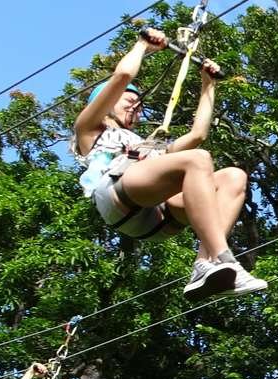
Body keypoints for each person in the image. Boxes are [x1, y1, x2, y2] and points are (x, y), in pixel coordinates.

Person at [71, 27, 266, 299]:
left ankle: (206, 264)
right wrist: (142, 45)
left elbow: (198, 134)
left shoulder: (147, 148)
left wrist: (208, 84)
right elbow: (124, 75)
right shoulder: (90, 129)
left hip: (157, 218)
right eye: (128, 102)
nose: (135, 109)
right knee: (198, 160)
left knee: (233, 176)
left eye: (139, 106)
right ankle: (225, 258)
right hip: (116, 195)